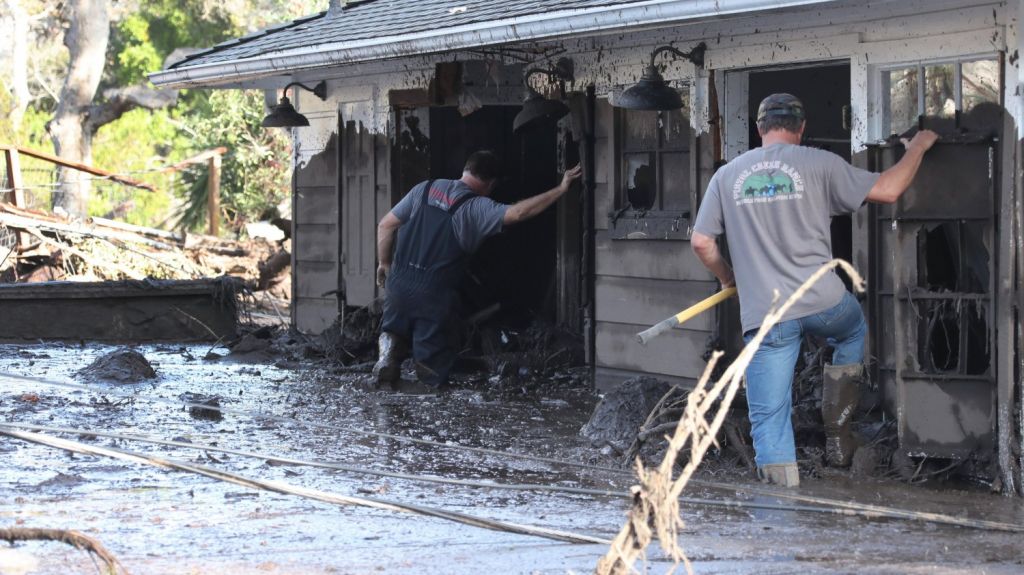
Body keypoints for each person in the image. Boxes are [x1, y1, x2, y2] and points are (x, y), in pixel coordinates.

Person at [690, 93, 938, 487]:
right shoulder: (820, 163)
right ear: (801, 128)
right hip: (824, 302)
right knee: (853, 331)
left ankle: (779, 503)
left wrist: (727, 277)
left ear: (759, 128)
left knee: (770, 417)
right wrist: (918, 148)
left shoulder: (726, 176)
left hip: (767, 315)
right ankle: (838, 431)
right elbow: (890, 190)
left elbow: (702, 242)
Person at [373, 150, 582, 389]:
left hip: (398, 282)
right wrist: (561, 188)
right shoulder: (476, 207)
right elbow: (519, 212)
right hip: (433, 293)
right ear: (491, 184)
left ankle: (387, 359)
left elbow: (385, 225)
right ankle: (429, 386)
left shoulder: (425, 188)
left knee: (394, 329)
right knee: (432, 361)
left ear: (466, 169)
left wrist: (384, 263)